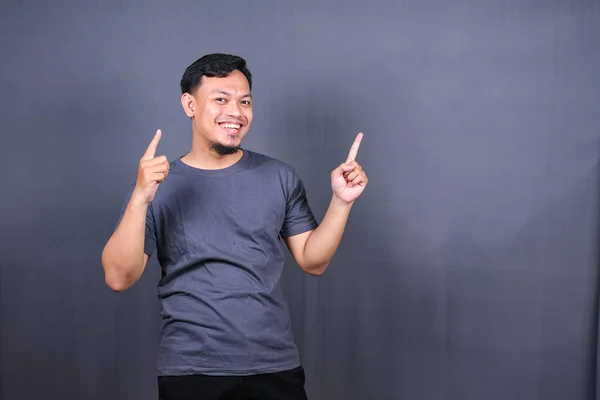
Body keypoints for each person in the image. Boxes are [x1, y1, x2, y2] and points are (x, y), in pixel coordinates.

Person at [101, 53, 368, 400]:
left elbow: (313, 261)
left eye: (245, 101)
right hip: (193, 371)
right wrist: (140, 198)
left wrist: (342, 201)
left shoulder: (279, 176)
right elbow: (119, 277)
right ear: (190, 104)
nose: (236, 112)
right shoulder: (156, 183)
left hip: (275, 367)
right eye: (221, 99)